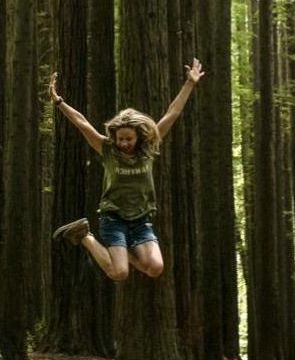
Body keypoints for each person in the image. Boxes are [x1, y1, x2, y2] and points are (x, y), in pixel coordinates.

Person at [46, 60, 206, 284]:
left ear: (138, 136)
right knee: (119, 273)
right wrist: (59, 101)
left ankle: (119, 252)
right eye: (120, 138)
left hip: (141, 220)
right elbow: (82, 123)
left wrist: (189, 83)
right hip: (113, 219)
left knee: (155, 268)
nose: (124, 143)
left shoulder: (148, 148)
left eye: (128, 138)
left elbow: (172, 113)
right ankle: (85, 236)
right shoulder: (107, 149)